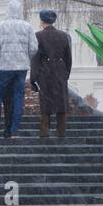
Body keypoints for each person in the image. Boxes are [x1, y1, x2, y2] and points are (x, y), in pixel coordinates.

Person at [0, 0, 38, 139]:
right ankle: (14, 132)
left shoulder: (0, 26)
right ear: (20, 11)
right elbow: (34, 48)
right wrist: (25, 57)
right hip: (21, 68)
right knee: (18, 98)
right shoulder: (27, 27)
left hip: (5, 67)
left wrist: (1, 58)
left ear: (7, 11)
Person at [31, 9, 73, 140]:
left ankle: (45, 131)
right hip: (60, 70)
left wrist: (33, 78)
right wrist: (66, 74)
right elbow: (68, 58)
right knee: (61, 102)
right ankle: (61, 131)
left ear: (42, 21)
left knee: (46, 102)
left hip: (45, 70)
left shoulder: (37, 36)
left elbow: (35, 58)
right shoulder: (64, 36)